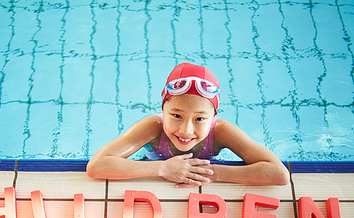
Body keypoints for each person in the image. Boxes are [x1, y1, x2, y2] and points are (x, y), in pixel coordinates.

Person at [87, 62, 290, 188]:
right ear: (163, 110)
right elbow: (97, 166)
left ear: (213, 116)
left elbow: (279, 174)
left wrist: (209, 173)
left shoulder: (221, 131)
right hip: (154, 166)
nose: (186, 130)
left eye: (200, 119)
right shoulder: (153, 127)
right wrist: (163, 169)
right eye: (176, 115)